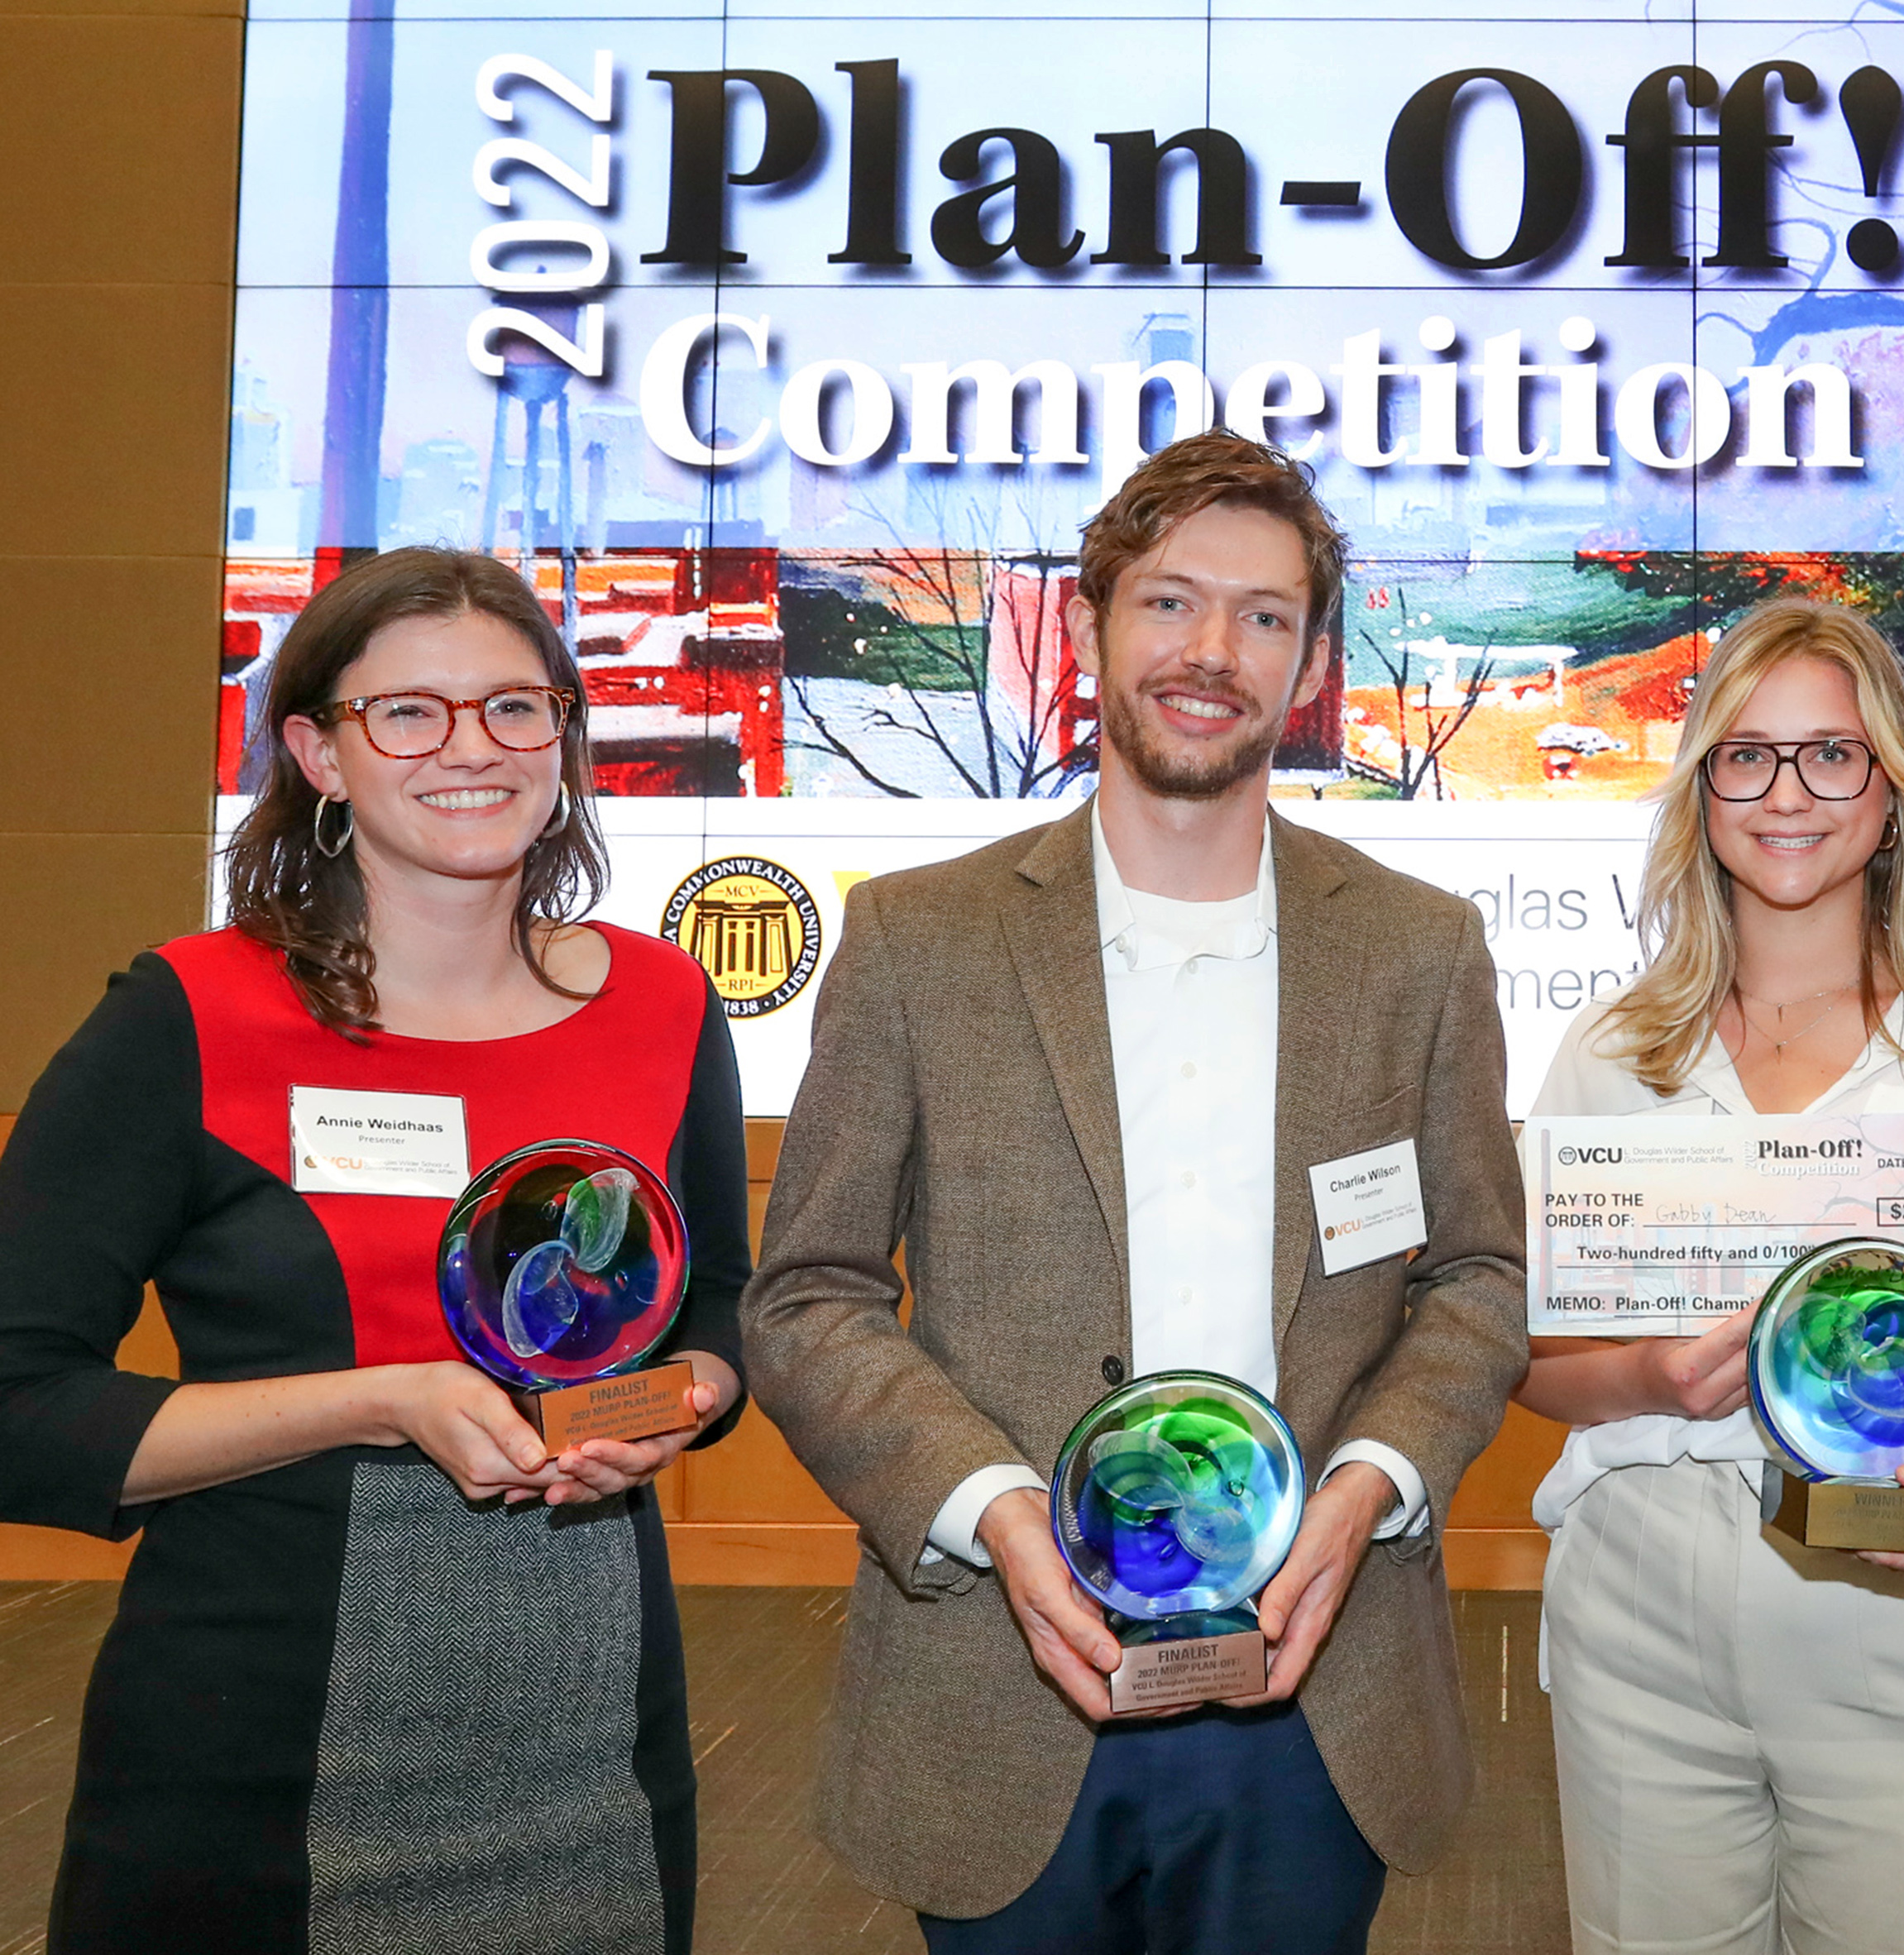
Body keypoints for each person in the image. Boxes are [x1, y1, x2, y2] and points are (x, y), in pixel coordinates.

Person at [739, 430, 1528, 1954]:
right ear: (1093, 619)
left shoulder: (1418, 952)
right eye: (1169, 603)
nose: (1211, 653)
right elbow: (810, 1294)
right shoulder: (919, 941)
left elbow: (1476, 1280)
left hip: (1318, 1683)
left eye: (1265, 616)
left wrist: (1367, 1488)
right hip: (995, 1672)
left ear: (1310, 666)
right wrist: (993, 1514)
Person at [0, 547, 752, 1954]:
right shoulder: (187, 1015)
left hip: (589, 1741)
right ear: (318, 753)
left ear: (563, 737)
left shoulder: (665, 1004)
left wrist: (673, 1403)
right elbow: (16, 1407)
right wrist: (380, 1399)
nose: (472, 749)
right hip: (250, 1753)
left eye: (515, 709)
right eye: (408, 713)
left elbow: (716, 1308)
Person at [1517, 599, 1904, 1955]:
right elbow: (1537, 1365)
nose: (1787, 793)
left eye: (1832, 756)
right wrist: (1648, 1378)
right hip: (1640, 1618)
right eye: (1747, 756)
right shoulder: (1610, 1054)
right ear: (1700, 789)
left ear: (1894, 793)